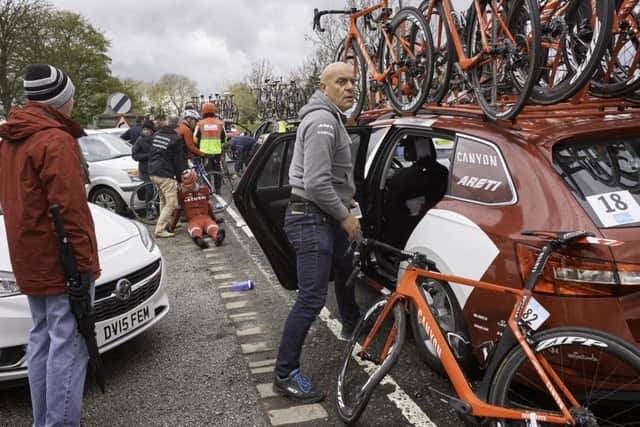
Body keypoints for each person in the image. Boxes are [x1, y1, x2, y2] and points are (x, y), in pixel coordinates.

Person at [0, 64, 101, 427]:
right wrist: (85, 263)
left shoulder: (12, 138)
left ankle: (44, 421)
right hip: (61, 262)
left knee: (42, 340)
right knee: (69, 346)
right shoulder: (55, 141)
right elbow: (71, 211)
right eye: (70, 97)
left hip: (30, 257)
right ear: (61, 101)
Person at [273, 62, 361, 403]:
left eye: (353, 80)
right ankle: (284, 374)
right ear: (323, 87)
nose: (350, 87)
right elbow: (315, 182)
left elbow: (328, 177)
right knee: (311, 298)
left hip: (320, 212)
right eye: (341, 81)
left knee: (346, 266)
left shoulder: (329, 116)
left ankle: (352, 323)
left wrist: (344, 197)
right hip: (311, 218)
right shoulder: (323, 121)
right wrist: (345, 216)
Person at [147, 115, 187, 238]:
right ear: (178, 126)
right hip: (164, 173)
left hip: (152, 171)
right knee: (172, 202)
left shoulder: (157, 135)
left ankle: (167, 222)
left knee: (163, 199)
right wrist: (181, 178)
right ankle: (160, 229)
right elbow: (178, 162)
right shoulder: (176, 139)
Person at [169, 169, 225, 249]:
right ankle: (199, 239)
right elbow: (178, 211)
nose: (189, 187)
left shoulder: (202, 190)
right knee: (199, 229)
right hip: (196, 219)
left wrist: (172, 228)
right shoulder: (181, 194)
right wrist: (172, 227)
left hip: (201, 218)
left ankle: (217, 237)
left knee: (210, 227)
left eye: (190, 184)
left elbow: (209, 207)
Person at [194, 102, 225, 194]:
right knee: (217, 171)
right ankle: (218, 189)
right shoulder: (220, 123)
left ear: (203, 112)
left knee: (206, 172)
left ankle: (208, 190)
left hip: (205, 152)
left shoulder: (200, 124)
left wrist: (199, 145)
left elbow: (195, 138)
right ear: (214, 111)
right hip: (217, 152)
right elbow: (224, 138)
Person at [132, 119, 157, 219]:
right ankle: (148, 211)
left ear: (152, 130)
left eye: (148, 129)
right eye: (144, 129)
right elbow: (134, 155)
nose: (146, 131)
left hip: (157, 168)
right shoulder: (140, 140)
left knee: (159, 191)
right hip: (145, 170)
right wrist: (147, 156)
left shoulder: (156, 139)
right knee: (149, 191)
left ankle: (157, 209)